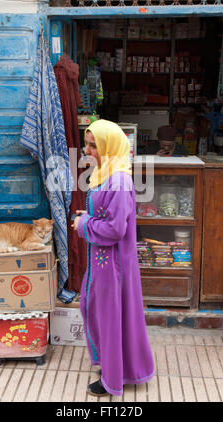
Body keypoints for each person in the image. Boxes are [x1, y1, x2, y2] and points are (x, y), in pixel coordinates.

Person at [72, 119, 155, 397]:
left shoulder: (119, 180)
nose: (88, 150)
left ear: (111, 146)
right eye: (87, 144)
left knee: (109, 319)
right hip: (104, 264)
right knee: (100, 313)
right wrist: (88, 218)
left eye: (95, 145)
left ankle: (112, 380)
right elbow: (106, 216)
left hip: (113, 265)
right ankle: (116, 367)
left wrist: (84, 226)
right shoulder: (105, 175)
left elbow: (115, 229)